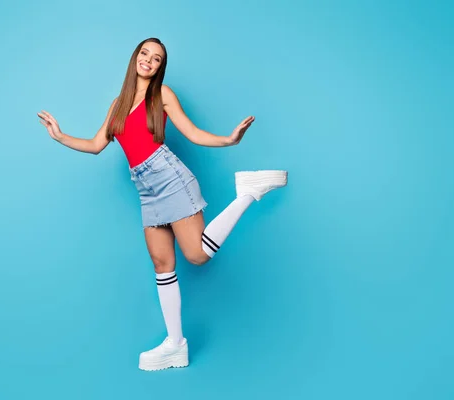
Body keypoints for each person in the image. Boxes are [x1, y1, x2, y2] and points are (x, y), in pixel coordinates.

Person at [37, 37, 287, 371]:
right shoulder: (118, 103)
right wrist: (60, 135)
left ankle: (248, 192)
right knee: (161, 264)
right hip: (144, 186)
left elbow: (193, 133)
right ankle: (175, 345)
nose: (148, 61)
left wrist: (230, 140)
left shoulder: (162, 96)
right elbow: (98, 144)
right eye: (145, 54)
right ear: (135, 57)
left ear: (159, 68)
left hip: (168, 177)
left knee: (196, 255)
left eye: (156, 59)